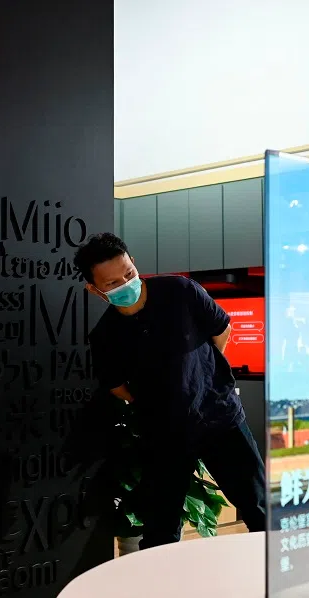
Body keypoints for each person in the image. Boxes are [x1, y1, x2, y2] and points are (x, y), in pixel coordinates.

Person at [74, 232, 267, 549]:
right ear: (95, 290)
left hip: (220, 417)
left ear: (134, 263)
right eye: (112, 284)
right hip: (164, 433)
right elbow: (117, 386)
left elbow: (221, 329)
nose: (125, 284)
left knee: (257, 508)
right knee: (161, 528)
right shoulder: (106, 335)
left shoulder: (180, 291)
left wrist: (206, 377)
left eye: (129, 274)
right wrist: (160, 401)